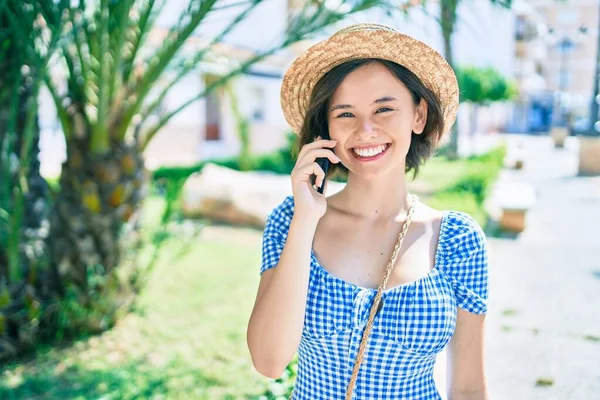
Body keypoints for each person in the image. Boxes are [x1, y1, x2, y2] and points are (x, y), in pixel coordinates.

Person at [247, 23, 489, 400]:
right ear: (324, 128)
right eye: (345, 114)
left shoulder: (457, 238)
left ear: (419, 116)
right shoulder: (292, 220)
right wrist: (306, 218)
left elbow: (469, 387)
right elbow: (269, 361)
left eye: (384, 109)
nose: (366, 130)